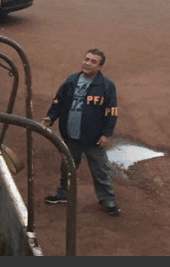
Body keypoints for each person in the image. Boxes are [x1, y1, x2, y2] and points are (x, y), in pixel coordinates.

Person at [41, 48, 120, 216]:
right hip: (70, 136)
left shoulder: (106, 86)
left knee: (101, 170)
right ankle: (63, 192)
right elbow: (58, 101)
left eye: (93, 61)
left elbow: (111, 111)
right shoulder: (71, 81)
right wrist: (50, 117)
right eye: (86, 59)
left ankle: (107, 199)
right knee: (67, 167)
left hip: (93, 140)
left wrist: (106, 134)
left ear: (100, 66)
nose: (87, 63)